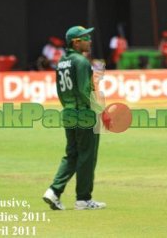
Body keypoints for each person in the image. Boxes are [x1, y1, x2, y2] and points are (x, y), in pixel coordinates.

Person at [43, 25, 106, 210]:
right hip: (84, 113)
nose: (90, 41)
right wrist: (98, 110)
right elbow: (84, 89)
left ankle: (54, 191)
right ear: (76, 42)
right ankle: (83, 199)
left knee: (72, 154)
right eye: (85, 38)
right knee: (87, 156)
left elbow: (61, 91)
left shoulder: (62, 61)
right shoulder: (81, 62)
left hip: (69, 112)